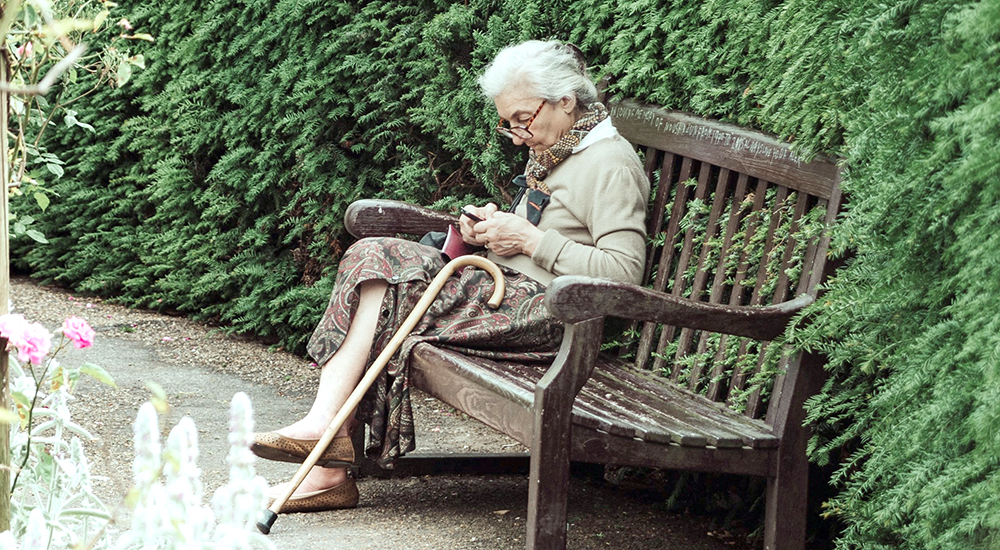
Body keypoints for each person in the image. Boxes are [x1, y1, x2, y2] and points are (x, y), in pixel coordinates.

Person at [251, 39, 650, 513]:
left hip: (552, 317)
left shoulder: (609, 162)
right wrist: (486, 233)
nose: (517, 133)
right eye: (508, 123)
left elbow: (625, 273)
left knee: (382, 269)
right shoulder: (559, 146)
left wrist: (528, 241)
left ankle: (327, 458)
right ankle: (327, 449)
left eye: (523, 118)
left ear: (566, 100)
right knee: (375, 265)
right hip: (506, 294)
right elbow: (544, 233)